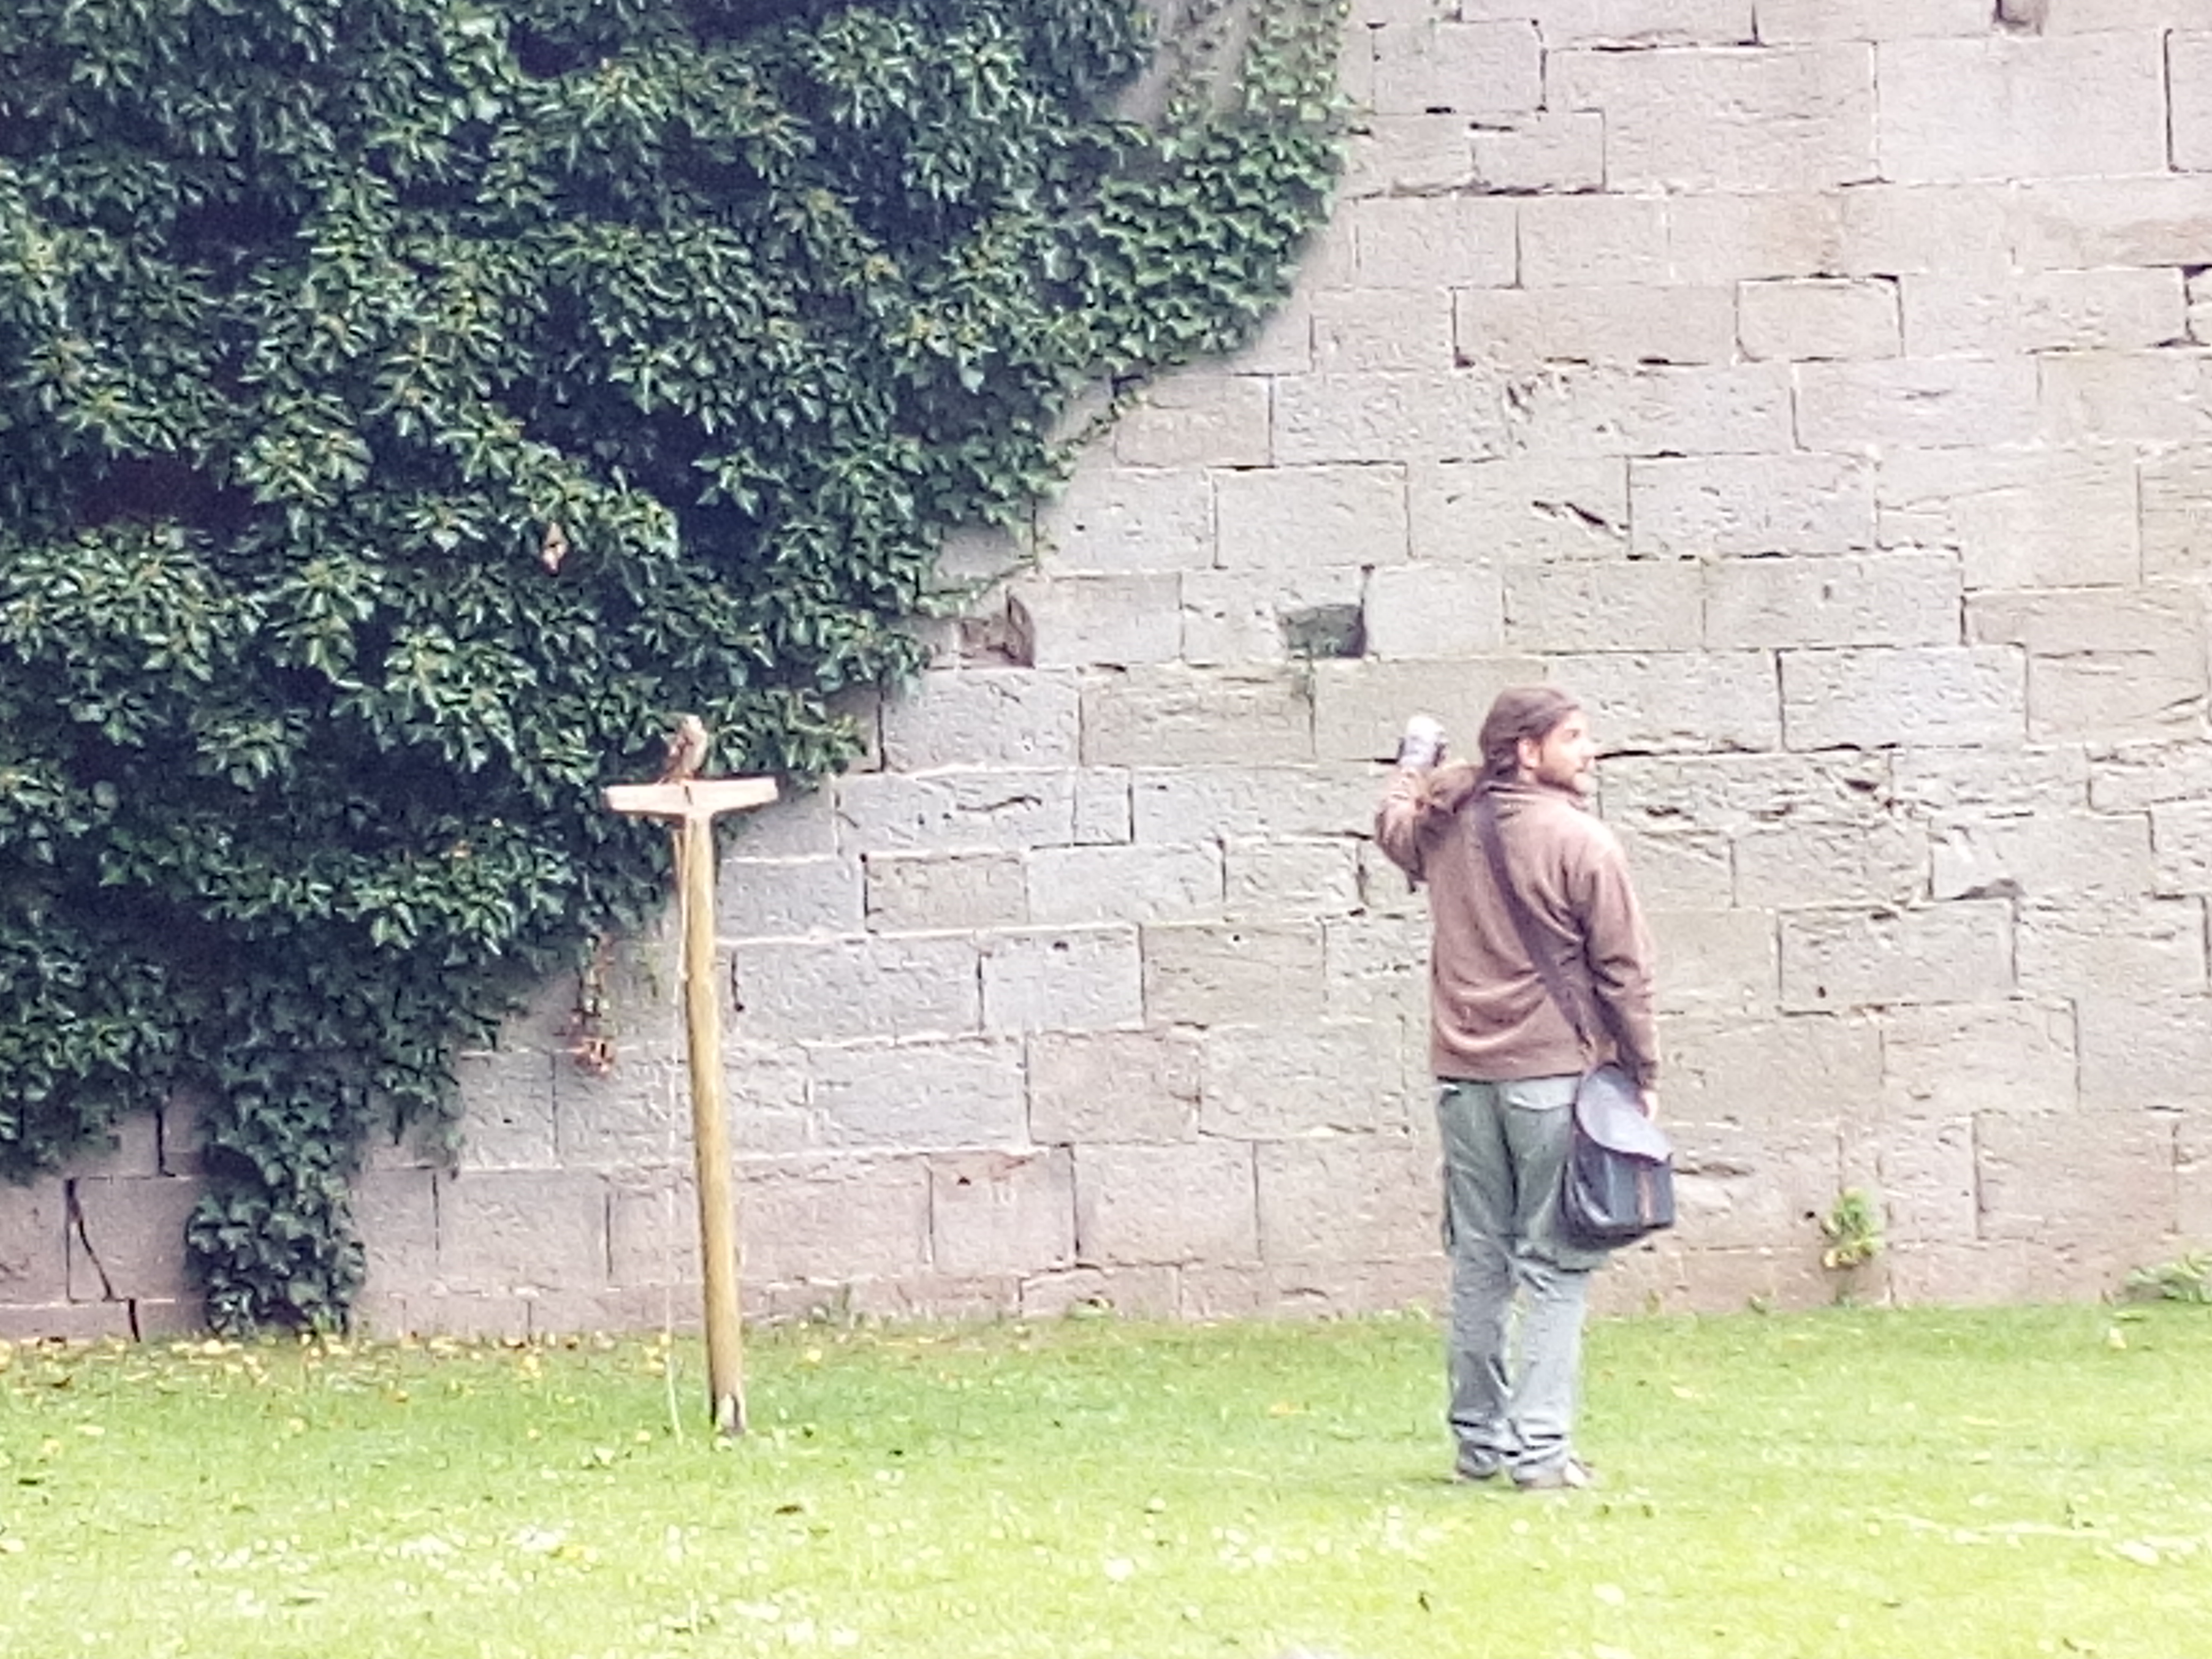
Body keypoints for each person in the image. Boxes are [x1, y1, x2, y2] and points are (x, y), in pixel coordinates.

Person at [1373, 685, 1659, 1492]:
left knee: (1479, 1263)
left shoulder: (1445, 825)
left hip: (1463, 1082)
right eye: (1574, 738)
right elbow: (1626, 973)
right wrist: (1644, 1074)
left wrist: (1413, 762)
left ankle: (1480, 1446)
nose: (1590, 751)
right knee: (1557, 1268)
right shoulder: (1582, 842)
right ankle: (1540, 1454)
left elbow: (1392, 825)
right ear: (1527, 752)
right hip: (1552, 1083)